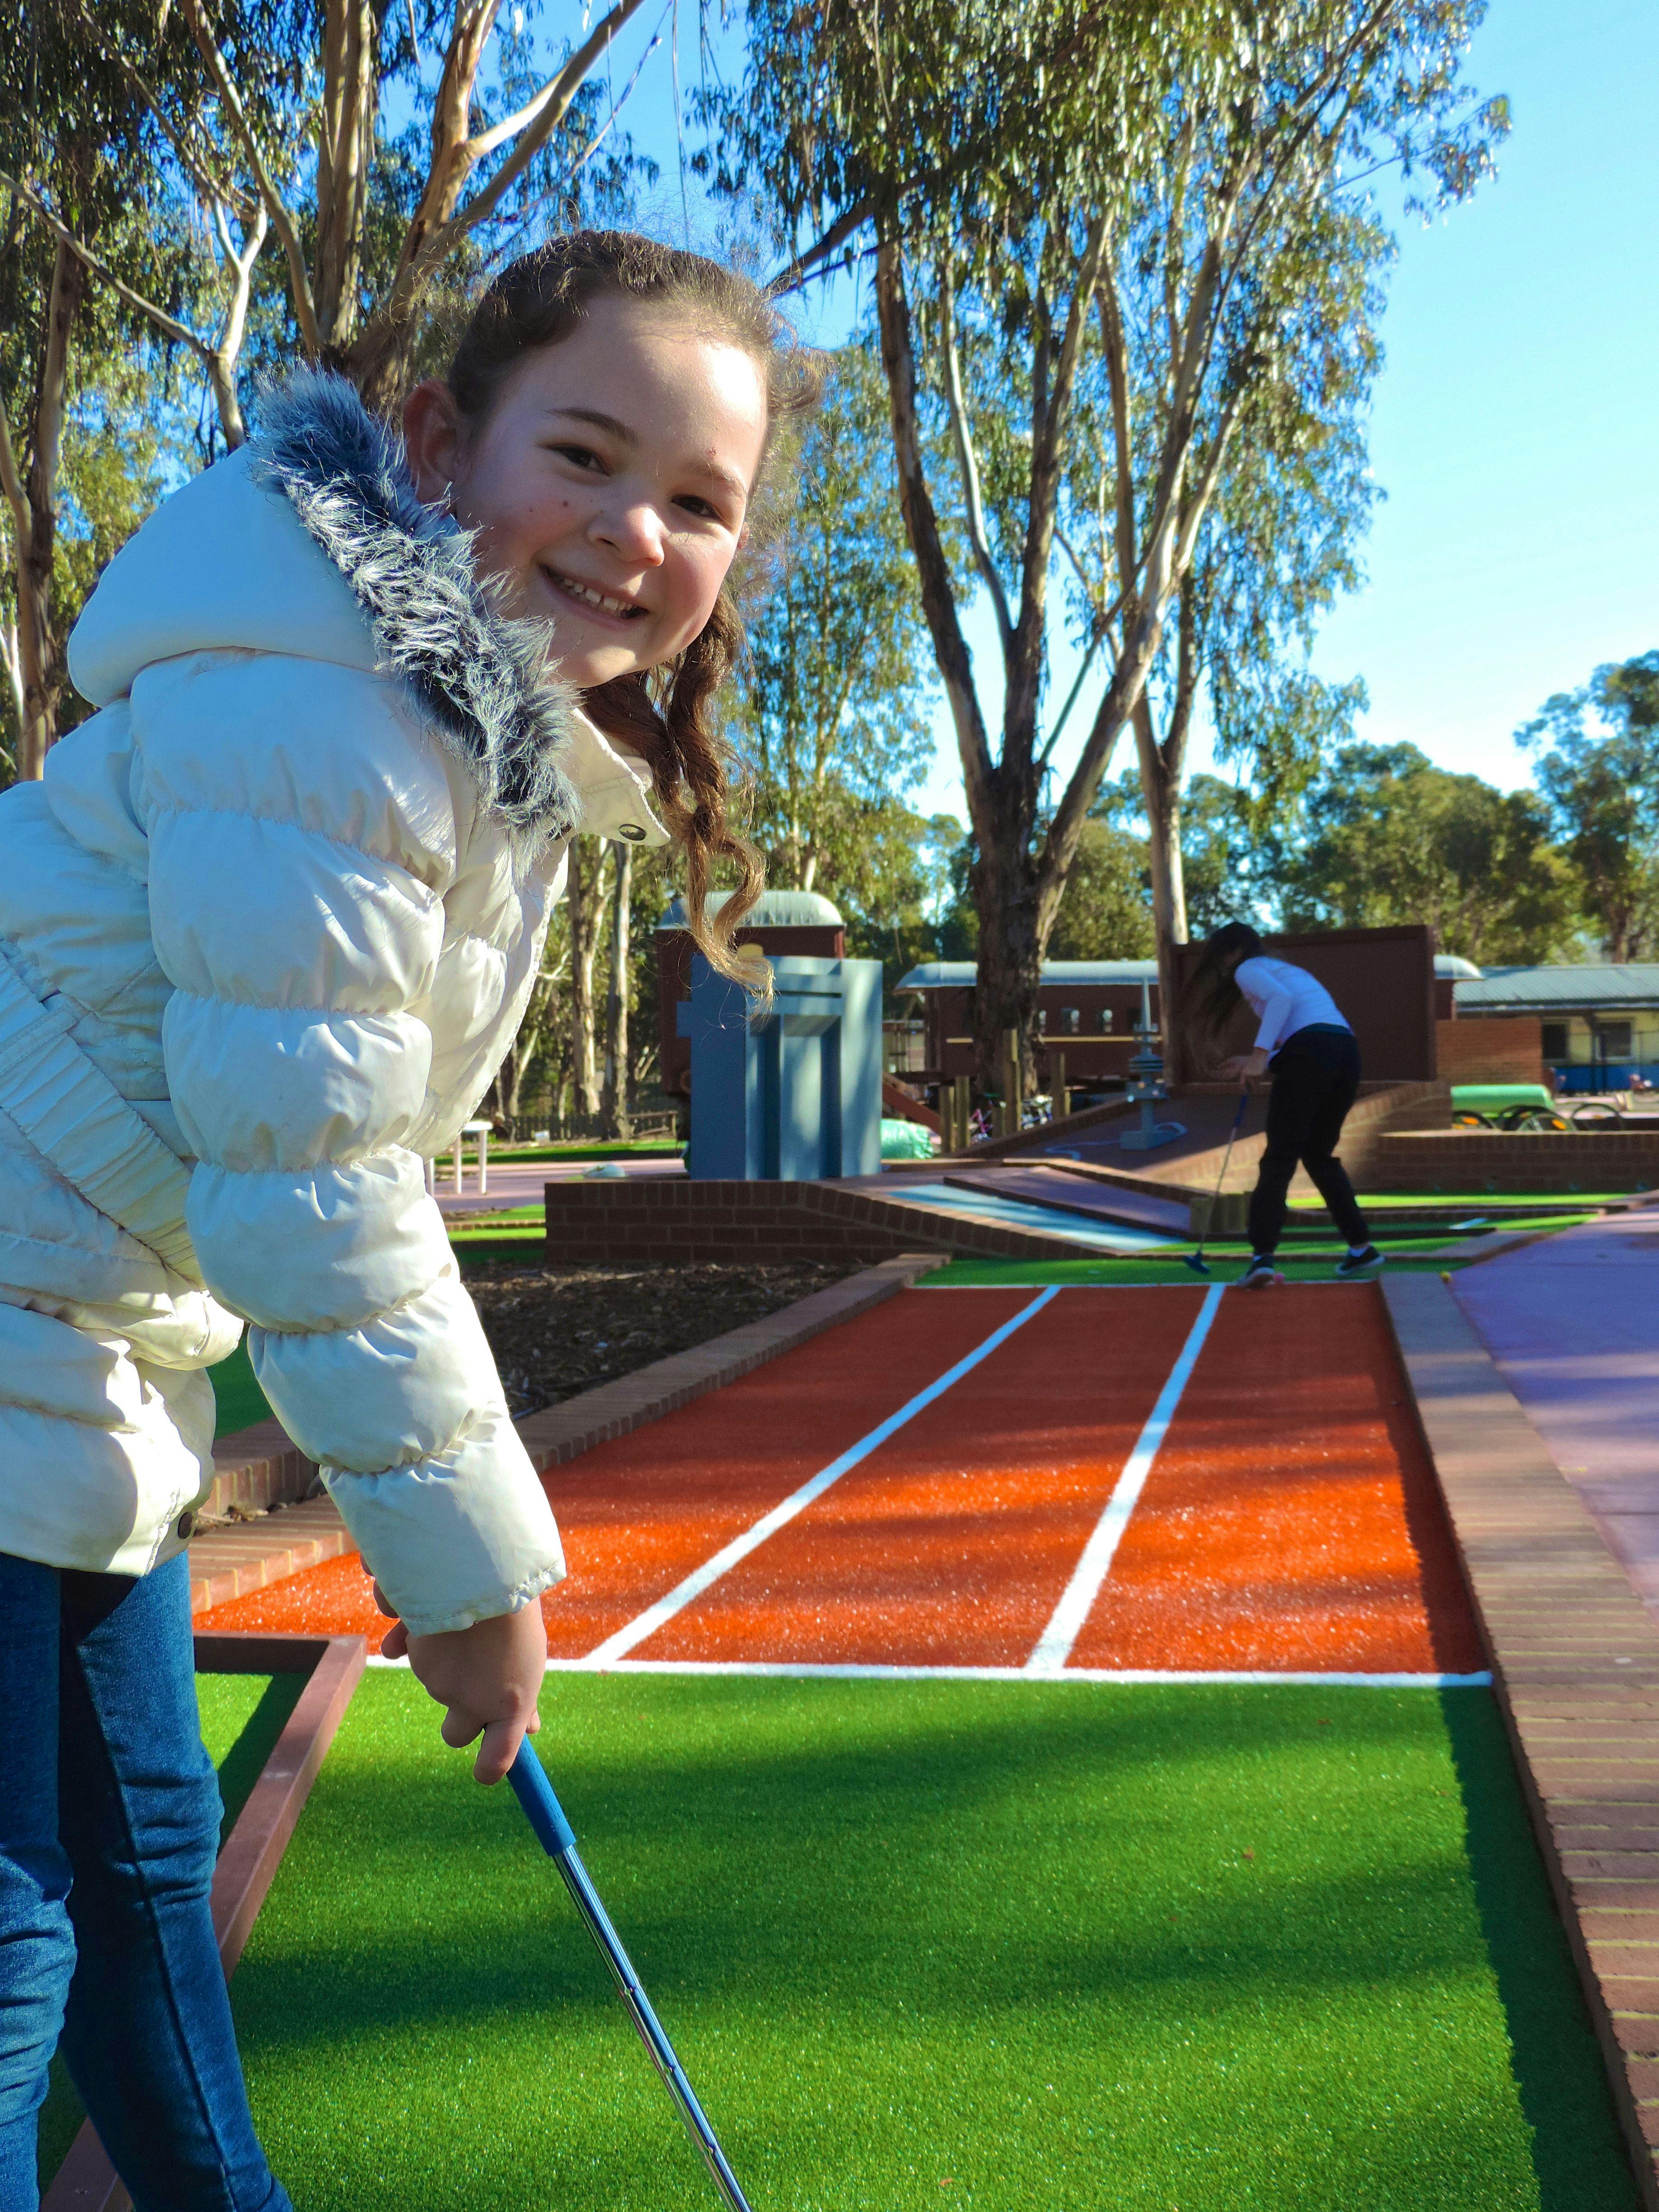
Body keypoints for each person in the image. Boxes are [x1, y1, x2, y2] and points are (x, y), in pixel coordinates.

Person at [0, 231, 819, 2212]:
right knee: (22, 1927)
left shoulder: (448, 730)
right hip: (29, 1321)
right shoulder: (330, 714)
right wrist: (463, 1577)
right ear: (444, 443)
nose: (636, 531)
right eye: (591, 454)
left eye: (697, 501)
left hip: (75, 1343)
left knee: (138, 1852)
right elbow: (317, 1171)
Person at [1185, 922, 1383, 1289]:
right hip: (1345, 1054)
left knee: (1280, 1157)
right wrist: (1257, 1059)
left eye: (1220, 960)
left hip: (1314, 1052)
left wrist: (1260, 1057)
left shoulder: (1249, 969)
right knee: (1319, 1155)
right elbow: (1311, 1035)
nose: (1222, 970)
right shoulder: (1290, 971)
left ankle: (1262, 1257)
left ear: (1232, 953)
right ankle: (1362, 1248)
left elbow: (1282, 1003)